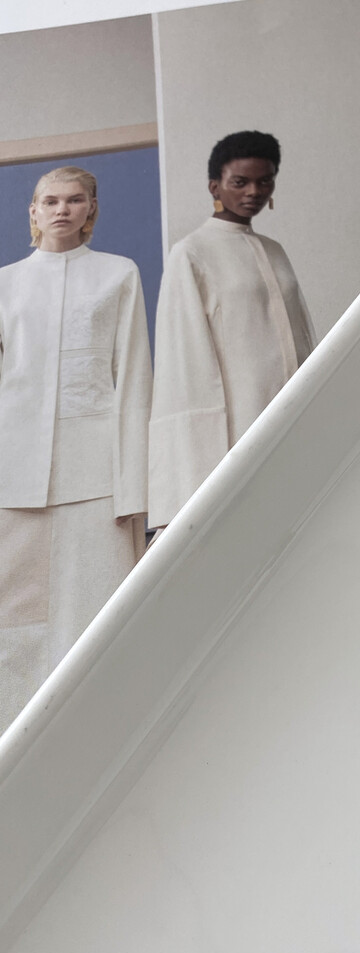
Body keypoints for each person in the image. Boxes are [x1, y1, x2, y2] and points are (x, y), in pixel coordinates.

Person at [0, 166, 152, 729]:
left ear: (91, 209)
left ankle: (102, 728)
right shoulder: (5, 283)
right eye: (50, 201)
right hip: (13, 474)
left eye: (74, 199)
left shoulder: (119, 274)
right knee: (15, 621)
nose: (61, 209)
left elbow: (133, 378)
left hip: (97, 477)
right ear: (33, 212)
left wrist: (136, 488)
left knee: (100, 612)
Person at [147, 130, 316, 528]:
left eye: (264, 181)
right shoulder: (191, 252)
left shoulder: (274, 250)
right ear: (215, 186)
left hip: (292, 409)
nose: (253, 191)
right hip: (238, 419)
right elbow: (184, 361)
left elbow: (303, 335)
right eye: (240, 182)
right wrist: (201, 456)